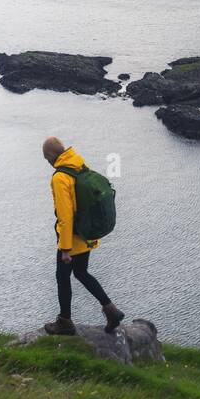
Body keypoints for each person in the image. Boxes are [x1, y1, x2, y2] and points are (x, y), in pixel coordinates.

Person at [43, 136, 124, 335]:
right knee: (81, 273)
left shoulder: (60, 177)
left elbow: (65, 216)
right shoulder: (78, 163)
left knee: (62, 277)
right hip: (87, 232)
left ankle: (65, 322)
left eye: (47, 159)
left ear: (52, 156)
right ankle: (111, 310)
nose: (48, 163)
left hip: (72, 237)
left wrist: (65, 249)